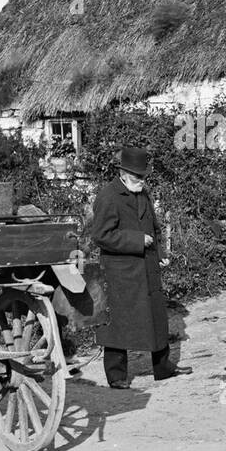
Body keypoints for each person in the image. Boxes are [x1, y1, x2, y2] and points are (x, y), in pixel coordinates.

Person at [89, 146, 192, 389]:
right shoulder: (108, 196)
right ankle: (116, 376)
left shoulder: (142, 193)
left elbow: (154, 228)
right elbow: (101, 235)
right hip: (120, 271)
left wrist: (160, 253)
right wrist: (136, 240)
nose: (142, 181)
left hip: (147, 266)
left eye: (144, 176)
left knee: (157, 318)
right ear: (123, 173)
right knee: (118, 323)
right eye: (137, 176)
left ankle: (164, 367)